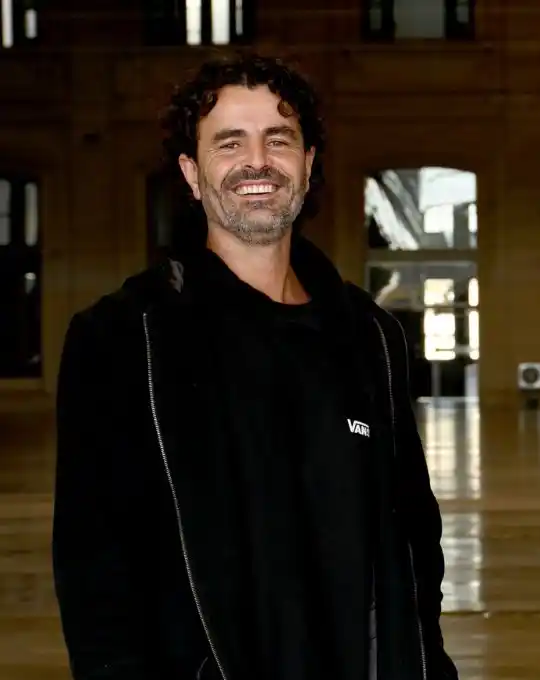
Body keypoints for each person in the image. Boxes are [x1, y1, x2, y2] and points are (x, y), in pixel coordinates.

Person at [52, 53, 458, 680]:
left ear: (308, 164)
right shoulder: (123, 337)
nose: (258, 161)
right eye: (229, 143)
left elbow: (415, 544)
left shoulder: (371, 337)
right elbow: (94, 570)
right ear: (191, 173)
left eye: (279, 139)